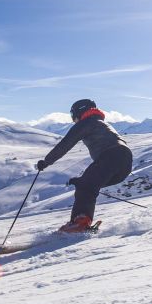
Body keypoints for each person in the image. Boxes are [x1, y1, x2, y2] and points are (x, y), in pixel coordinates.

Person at [36, 99, 132, 233]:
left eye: (72, 114)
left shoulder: (87, 122)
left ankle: (80, 223)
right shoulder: (100, 122)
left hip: (111, 155)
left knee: (86, 186)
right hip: (124, 163)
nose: (73, 119)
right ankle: (78, 222)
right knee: (86, 185)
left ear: (79, 111)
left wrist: (46, 162)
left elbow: (66, 144)